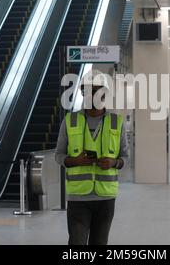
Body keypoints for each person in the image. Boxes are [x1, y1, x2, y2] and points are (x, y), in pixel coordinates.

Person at [55, 70, 128, 245]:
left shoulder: (116, 122)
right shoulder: (70, 120)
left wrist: (114, 162)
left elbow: (125, 157)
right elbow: (59, 155)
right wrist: (74, 161)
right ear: (82, 93)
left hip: (106, 198)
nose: (94, 94)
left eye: (98, 90)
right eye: (89, 90)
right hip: (78, 197)